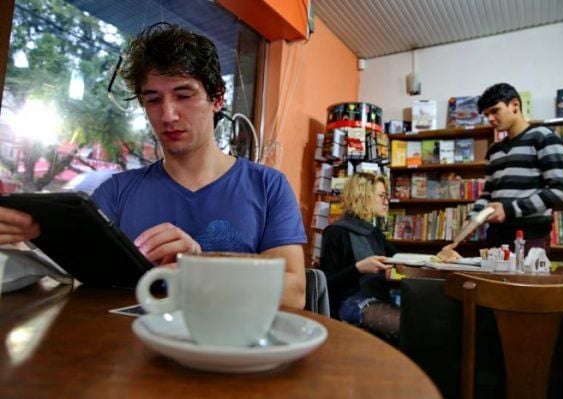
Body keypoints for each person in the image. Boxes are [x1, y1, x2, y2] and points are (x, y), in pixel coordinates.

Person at [0, 23, 307, 308]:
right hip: (134, 351)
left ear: (217, 99)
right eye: (153, 99)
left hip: (232, 351)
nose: (168, 115)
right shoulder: (117, 191)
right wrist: (23, 239)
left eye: (184, 95)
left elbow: (295, 293)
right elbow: (73, 274)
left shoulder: (268, 186)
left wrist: (200, 266)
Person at [464, 82, 563, 252]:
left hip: (530, 237)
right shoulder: (494, 149)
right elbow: (488, 193)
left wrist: (509, 209)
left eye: (495, 111)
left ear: (515, 105)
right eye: (486, 114)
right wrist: (473, 218)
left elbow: (560, 191)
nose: (490, 118)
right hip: (495, 237)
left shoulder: (543, 137)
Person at [320, 172, 400, 342]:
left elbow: (399, 256)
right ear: (363, 197)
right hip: (348, 302)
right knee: (403, 325)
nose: (386, 201)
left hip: (375, 298)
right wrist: (358, 268)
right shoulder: (335, 232)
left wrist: (438, 257)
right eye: (381, 196)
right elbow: (326, 283)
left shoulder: (374, 232)